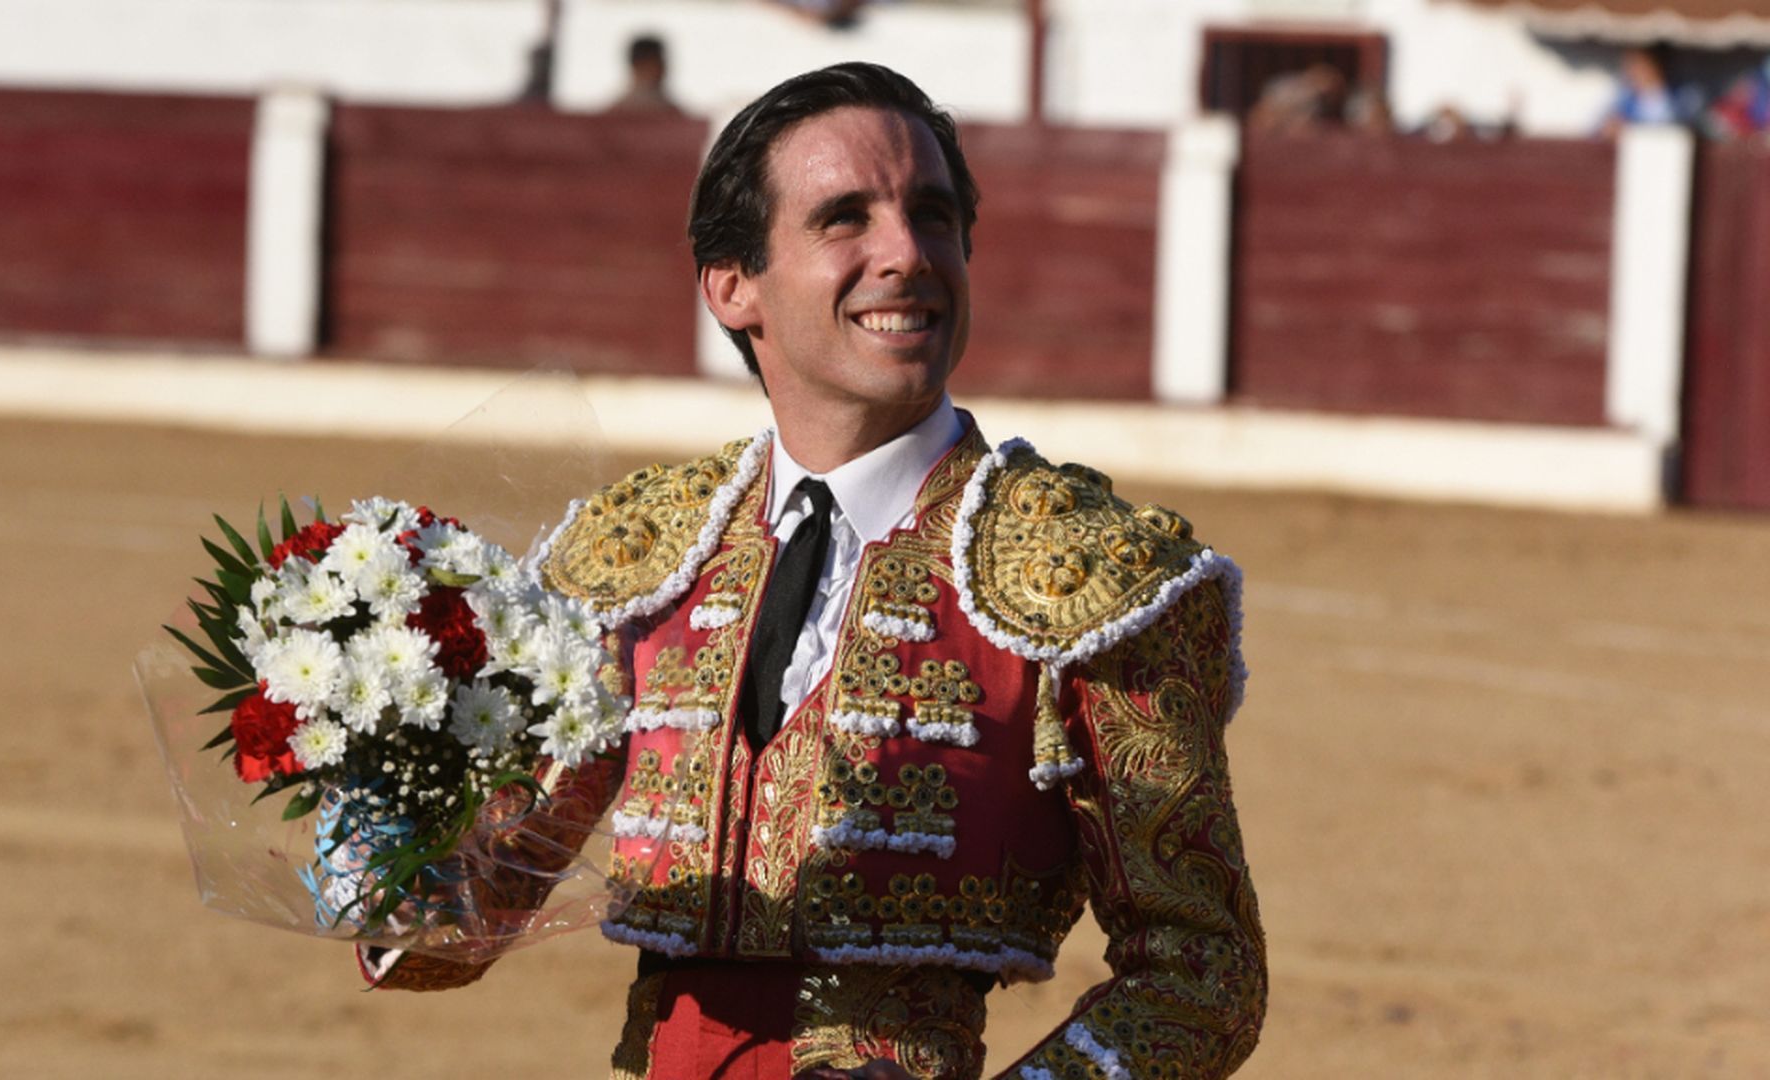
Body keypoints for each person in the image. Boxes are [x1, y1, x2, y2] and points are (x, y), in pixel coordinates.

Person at [362, 62, 1267, 1079]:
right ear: (732, 286)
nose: (906, 253)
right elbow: (470, 915)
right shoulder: (632, 562)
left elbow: (1202, 975)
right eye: (847, 218)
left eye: (932, 214)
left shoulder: (1090, 581)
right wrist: (368, 802)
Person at [608, 35, 683, 115]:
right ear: (638, 65)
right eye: (653, 66)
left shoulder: (673, 113)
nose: (661, 72)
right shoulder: (616, 114)